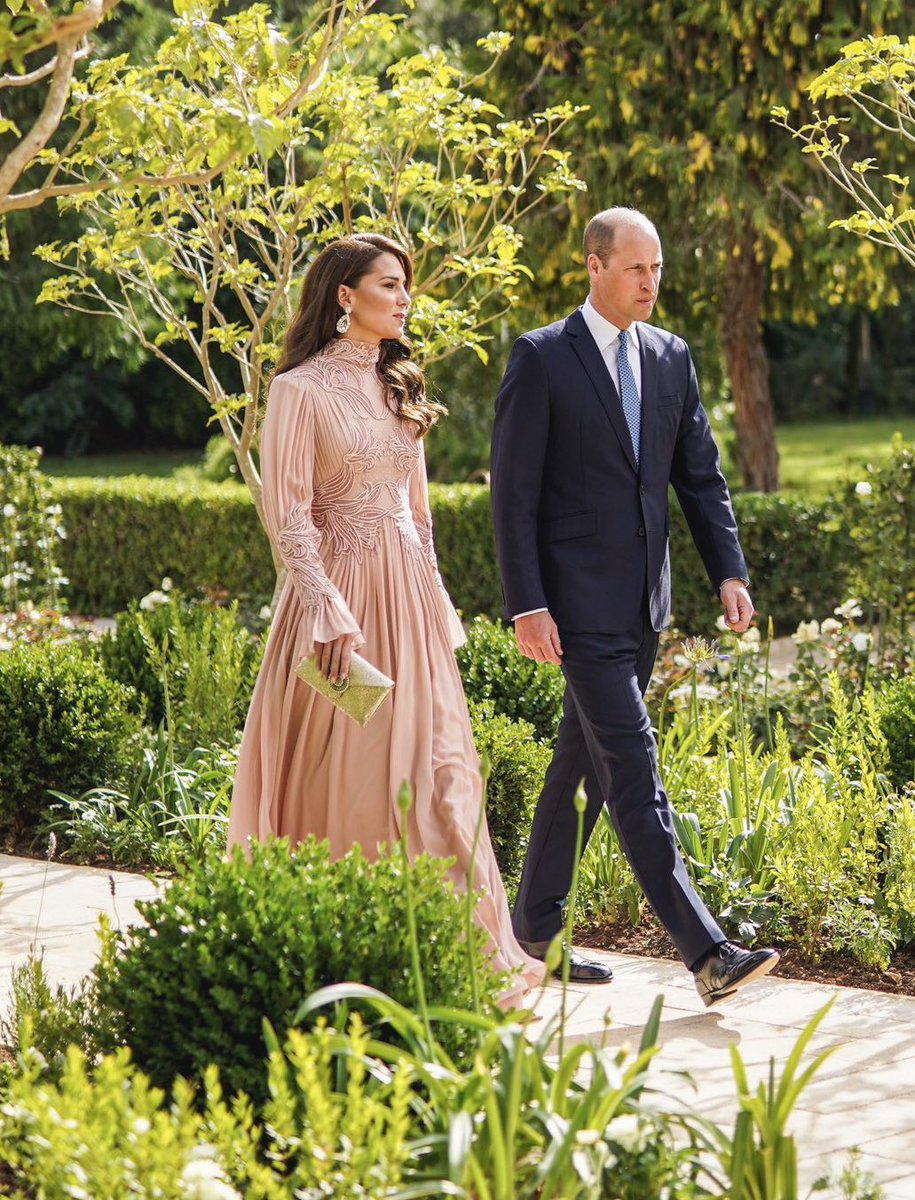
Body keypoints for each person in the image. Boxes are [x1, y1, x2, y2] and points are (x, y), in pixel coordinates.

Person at [228, 232, 542, 1006]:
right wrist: (325, 608)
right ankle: (348, 950)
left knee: (441, 775)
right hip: (341, 607)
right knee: (355, 777)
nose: (405, 299)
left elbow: (419, 514)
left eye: (406, 286)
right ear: (345, 296)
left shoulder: (400, 381)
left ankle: (455, 955)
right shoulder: (298, 391)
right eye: (390, 284)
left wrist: (437, 605)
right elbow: (288, 514)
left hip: (409, 604)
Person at [490, 207, 779, 1006]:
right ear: (592, 266)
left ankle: (535, 929)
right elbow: (512, 498)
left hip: (643, 604)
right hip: (573, 609)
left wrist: (728, 570)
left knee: (577, 766)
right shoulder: (542, 358)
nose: (650, 282)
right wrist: (527, 605)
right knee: (631, 768)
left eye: (656, 268)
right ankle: (706, 951)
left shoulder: (671, 356)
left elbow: (699, 476)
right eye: (634, 268)